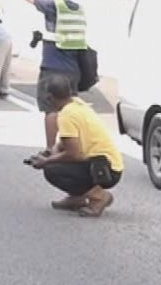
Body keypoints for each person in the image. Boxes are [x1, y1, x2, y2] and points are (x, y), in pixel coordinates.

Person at [25, 73, 123, 216]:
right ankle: (78, 198)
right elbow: (70, 140)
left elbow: (74, 154)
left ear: (50, 97)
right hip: (109, 164)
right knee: (56, 162)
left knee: (52, 170)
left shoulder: (66, 115)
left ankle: (99, 197)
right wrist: (53, 150)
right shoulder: (76, 104)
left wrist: (46, 161)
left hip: (104, 170)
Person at [25, 0, 89, 149]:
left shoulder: (52, 5)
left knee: (51, 110)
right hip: (74, 69)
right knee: (71, 110)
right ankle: (72, 148)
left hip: (53, 67)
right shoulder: (77, 8)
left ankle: (50, 149)